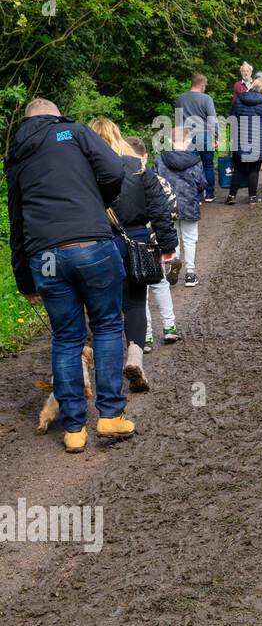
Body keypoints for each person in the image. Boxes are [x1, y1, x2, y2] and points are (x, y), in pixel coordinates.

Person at [8, 99, 134, 452]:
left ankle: (75, 429)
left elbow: (17, 221)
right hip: (91, 242)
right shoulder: (76, 132)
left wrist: (24, 281)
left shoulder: (16, 155)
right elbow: (115, 168)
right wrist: (98, 200)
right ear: (55, 114)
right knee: (108, 326)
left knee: (66, 337)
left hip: (45, 256)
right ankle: (110, 416)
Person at [89, 118, 178, 394]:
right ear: (118, 137)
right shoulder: (138, 166)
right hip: (137, 241)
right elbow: (159, 208)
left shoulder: (83, 172)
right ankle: (135, 357)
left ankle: (106, 369)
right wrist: (167, 245)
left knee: (103, 309)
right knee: (136, 303)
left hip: (99, 243)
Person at [127, 135, 180, 352]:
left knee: (140, 291)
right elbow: (173, 210)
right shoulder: (160, 181)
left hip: (134, 242)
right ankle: (169, 326)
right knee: (160, 284)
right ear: (146, 156)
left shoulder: (123, 182)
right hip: (155, 242)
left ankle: (146, 337)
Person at [154, 125, 206, 288]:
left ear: (170, 140)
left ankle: (173, 262)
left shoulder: (160, 160)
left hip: (167, 206)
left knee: (173, 237)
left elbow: (153, 182)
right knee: (190, 239)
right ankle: (190, 274)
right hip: (189, 204)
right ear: (189, 141)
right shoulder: (195, 161)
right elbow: (202, 183)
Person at [175, 73, 219, 203]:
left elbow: (178, 120)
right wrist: (215, 137)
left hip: (186, 136)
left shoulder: (180, 99)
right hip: (204, 135)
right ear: (202, 85)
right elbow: (212, 120)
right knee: (208, 166)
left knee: (191, 167)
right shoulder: (206, 99)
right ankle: (209, 194)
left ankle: (196, 196)